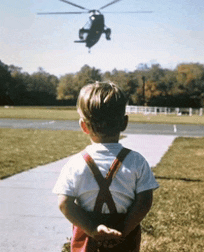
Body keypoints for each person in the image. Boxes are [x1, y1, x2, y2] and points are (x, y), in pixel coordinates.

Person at [53, 81, 159, 251]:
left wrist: (92, 229)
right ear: (124, 122)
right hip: (124, 238)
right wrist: (124, 229)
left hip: (88, 239)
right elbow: (144, 202)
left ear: (83, 126)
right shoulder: (137, 161)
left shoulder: (74, 163)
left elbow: (65, 203)